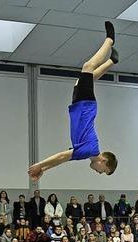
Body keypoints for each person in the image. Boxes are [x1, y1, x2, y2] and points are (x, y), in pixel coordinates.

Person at [28, 22, 118, 182]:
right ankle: (110, 40)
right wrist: (39, 165)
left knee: (83, 80)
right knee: (88, 67)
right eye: (103, 171)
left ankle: (112, 61)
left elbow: (62, 159)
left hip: (81, 107)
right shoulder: (90, 150)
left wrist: (44, 169)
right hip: (85, 107)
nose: (99, 172)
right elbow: (62, 155)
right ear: (103, 161)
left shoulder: (86, 154)